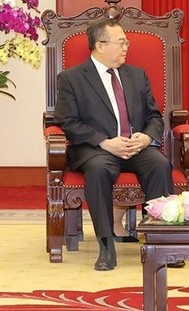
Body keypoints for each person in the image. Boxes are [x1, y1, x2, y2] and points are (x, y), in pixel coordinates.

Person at [54, 18, 178, 271]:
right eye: (121, 42)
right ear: (100, 45)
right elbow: (67, 121)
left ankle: (161, 244)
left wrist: (145, 137)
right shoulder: (72, 78)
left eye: (126, 42)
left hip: (135, 146)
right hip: (96, 149)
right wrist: (104, 142)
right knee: (99, 170)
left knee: (160, 165)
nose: (126, 47)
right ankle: (106, 246)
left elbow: (154, 115)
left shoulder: (136, 75)